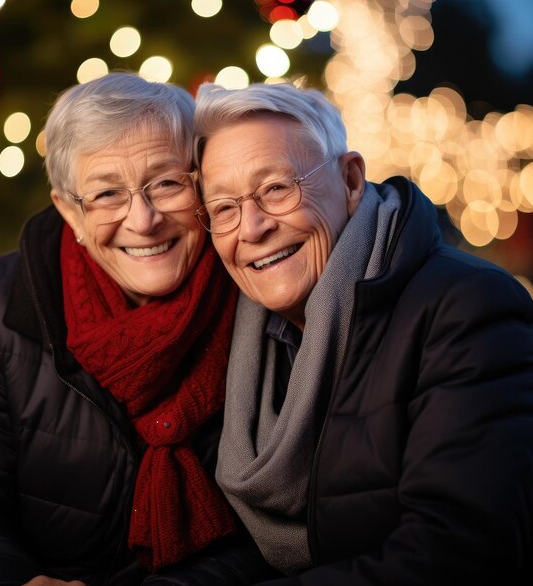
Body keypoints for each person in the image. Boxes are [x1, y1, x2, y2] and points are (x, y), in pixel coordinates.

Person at [0, 73, 274, 586]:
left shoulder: (261, 287)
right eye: (107, 194)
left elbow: (285, 524)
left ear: (201, 184)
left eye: (166, 183)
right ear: (69, 212)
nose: (143, 220)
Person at [192, 81, 533, 585]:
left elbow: (457, 553)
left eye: (276, 188)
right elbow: (250, 552)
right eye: (223, 208)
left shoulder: (468, 309)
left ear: (351, 180)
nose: (251, 227)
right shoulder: (249, 343)